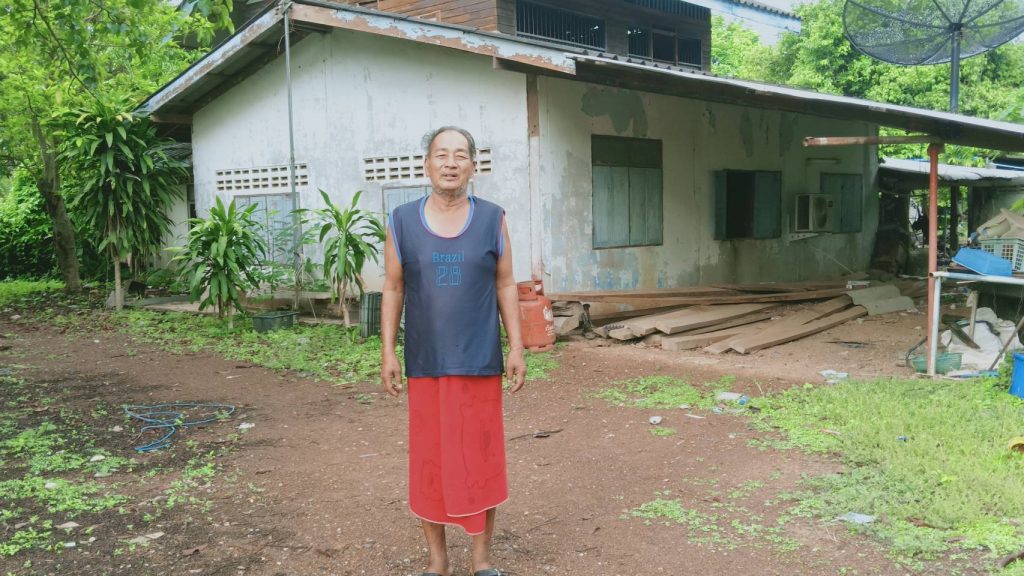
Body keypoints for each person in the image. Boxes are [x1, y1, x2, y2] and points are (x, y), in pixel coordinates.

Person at [381, 126, 527, 576]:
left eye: (460, 155)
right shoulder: (401, 221)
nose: (450, 163)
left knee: (480, 458)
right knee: (431, 461)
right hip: (426, 362)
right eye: (441, 154)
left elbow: (506, 283)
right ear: (427, 164)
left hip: (479, 361)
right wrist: (388, 352)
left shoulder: (492, 218)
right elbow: (393, 287)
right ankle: (437, 561)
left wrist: (517, 347)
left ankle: (481, 560)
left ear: (473, 166)